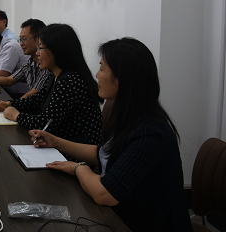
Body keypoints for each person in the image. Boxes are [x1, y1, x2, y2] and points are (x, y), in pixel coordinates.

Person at [30, 38, 192, 231]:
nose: (97, 75)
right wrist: (56, 142)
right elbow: (104, 152)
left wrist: (79, 168)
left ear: (122, 78)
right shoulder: (129, 115)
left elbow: (105, 193)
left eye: (102, 68)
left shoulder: (150, 132)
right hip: (124, 216)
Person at [0, 24, 102, 145]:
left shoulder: (71, 80)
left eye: (40, 48)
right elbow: (37, 100)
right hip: (59, 142)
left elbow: (46, 123)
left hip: (76, 148)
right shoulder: (55, 75)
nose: (37, 53)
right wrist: (8, 104)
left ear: (57, 50)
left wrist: (17, 116)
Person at [0, 19, 52, 98]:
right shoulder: (29, 63)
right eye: (20, 39)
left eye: (24, 39)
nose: (21, 44)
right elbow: (9, 80)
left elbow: (33, 93)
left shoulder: (48, 65)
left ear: (38, 39)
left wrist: (10, 104)